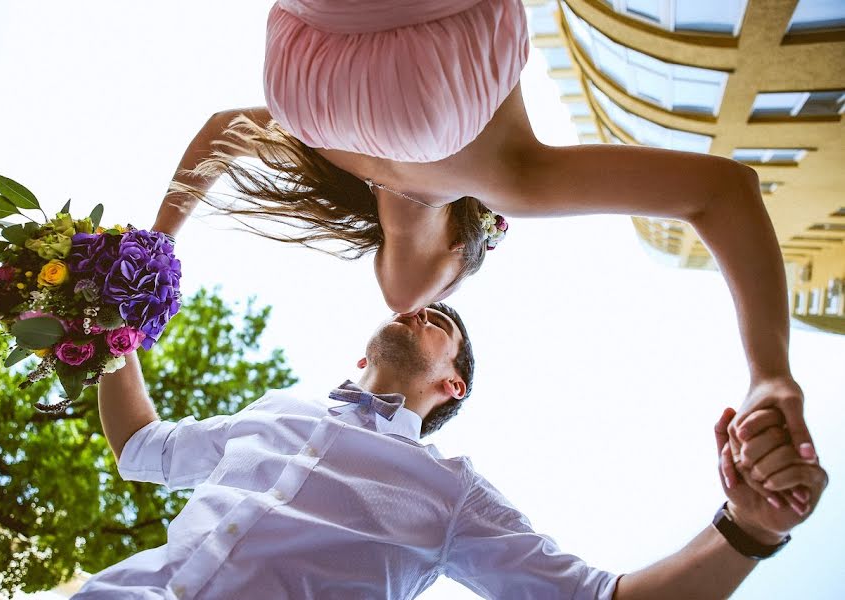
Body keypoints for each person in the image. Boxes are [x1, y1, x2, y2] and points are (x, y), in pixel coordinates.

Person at [151, 0, 817, 503]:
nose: (417, 307)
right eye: (446, 305)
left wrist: (157, 250)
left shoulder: (330, 146)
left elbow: (221, 134)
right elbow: (721, 194)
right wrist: (770, 370)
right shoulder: (511, 176)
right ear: (467, 247)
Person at [76, 303, 827, 598]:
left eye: (443, 319)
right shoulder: (273, 411)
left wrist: (749, 526)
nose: (420, 307)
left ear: (454, 383)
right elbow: (142, 446)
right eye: (417, 305)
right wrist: (111, 326)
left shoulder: (452, 493)